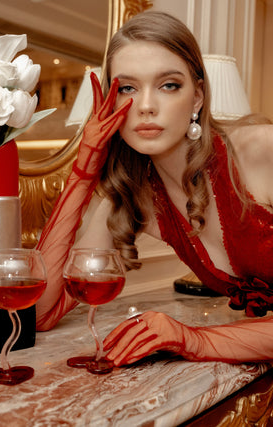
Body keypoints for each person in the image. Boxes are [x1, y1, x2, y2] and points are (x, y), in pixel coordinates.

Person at [36, 11, 273, 367]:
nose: (145, 106)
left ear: (197, 98)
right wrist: (84, 170)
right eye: (127, 88)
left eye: (169, 85)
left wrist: (188, 338)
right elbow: (41, 312)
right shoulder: (135, 198)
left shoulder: (260, 151)